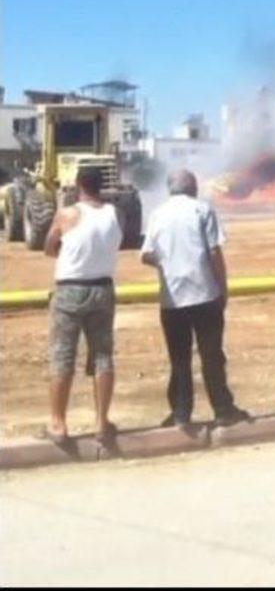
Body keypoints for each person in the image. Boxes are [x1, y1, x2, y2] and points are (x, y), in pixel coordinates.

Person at [141, 169, 249, 429]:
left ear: (171, 189)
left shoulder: (157, 214)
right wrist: (222, 288)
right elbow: (214, 252)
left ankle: (180, 413)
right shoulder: (202, 210)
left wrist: (167, 264)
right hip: (205, 295)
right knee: (212, 355)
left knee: (179, 359)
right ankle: (223, 410)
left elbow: (145, 255)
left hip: (172, 299)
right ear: (193, 188)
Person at [44, 164, 122, 450]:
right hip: (103, 289)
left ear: (78, 185)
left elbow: (49, 247)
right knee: (102, 356)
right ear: (101, 185)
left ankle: (58, 422)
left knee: (63, 355)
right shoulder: (114, 214)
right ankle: (102, 422)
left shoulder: (68, 214)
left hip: (70, 290)